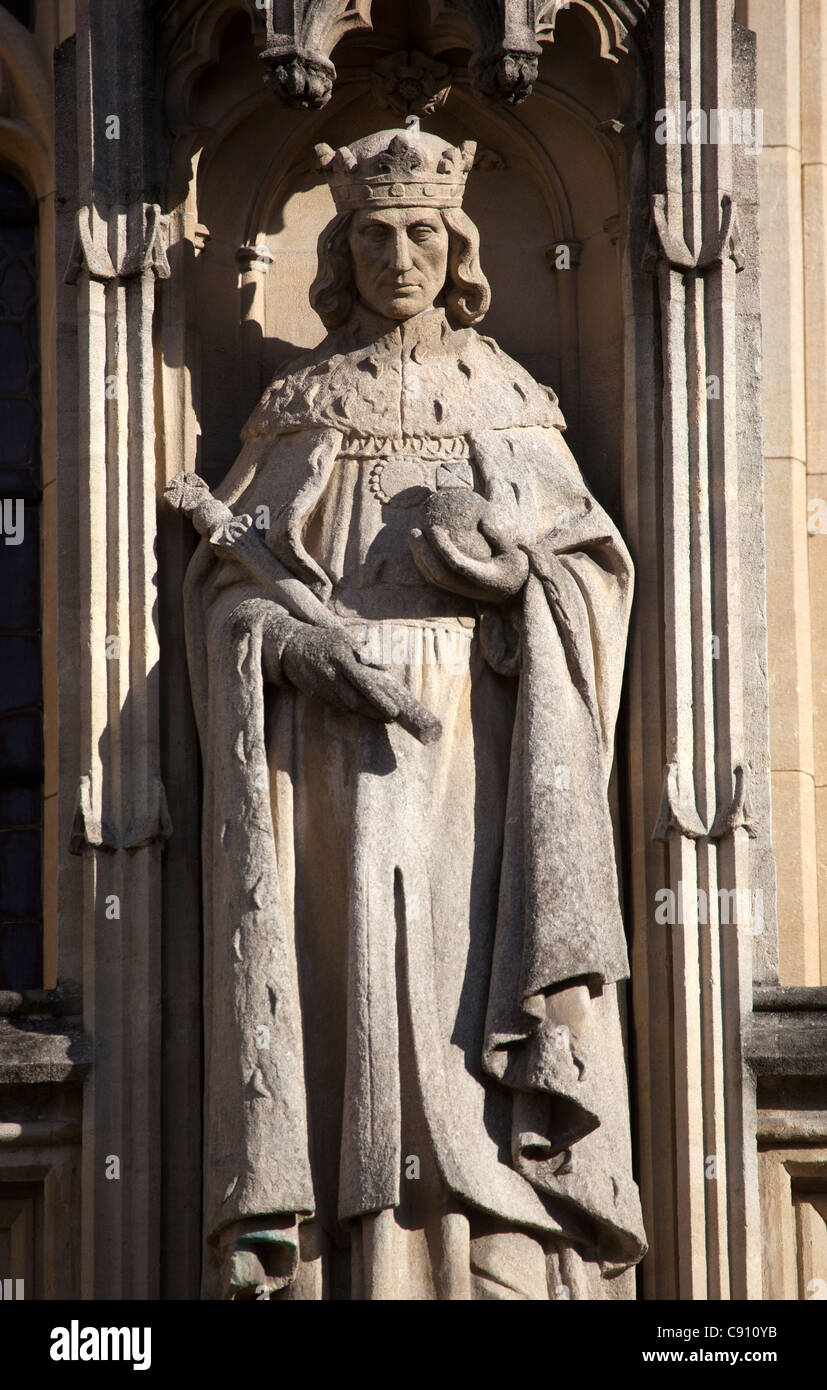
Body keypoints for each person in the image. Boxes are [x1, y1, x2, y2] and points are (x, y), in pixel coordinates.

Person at [183, 124, 646, 1299]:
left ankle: (504, 1238)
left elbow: (592, 567)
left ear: (459, 244)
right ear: (343, 246)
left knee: (468, 992)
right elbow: (227, 588)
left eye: (424, 233)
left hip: (485, 749)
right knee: (352, 999)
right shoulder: (299, 401)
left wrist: (516, 581)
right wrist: (287, 642)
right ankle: (354, 1261)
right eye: (377, 234)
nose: (401, 256)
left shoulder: (507, 395)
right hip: (332, 753)